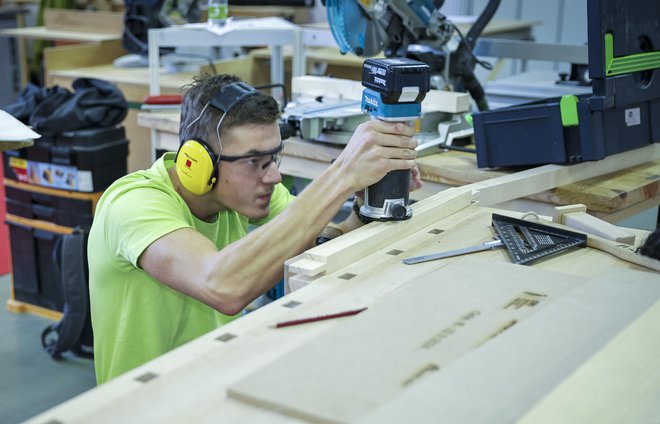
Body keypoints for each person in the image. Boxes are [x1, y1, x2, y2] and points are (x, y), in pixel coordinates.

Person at [88, 73, 423, 384]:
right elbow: (222, 286)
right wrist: (341, 176)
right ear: (197, 163)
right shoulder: (133, 204)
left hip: (219, 382)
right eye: (254, 162)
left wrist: (364, 209)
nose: (273, 176)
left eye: (273, 157)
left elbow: (313, 244)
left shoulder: (241, 193)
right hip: (142, 403)